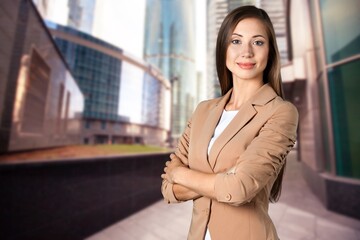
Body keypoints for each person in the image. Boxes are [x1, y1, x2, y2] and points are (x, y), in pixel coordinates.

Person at [161, 5, 298, 240]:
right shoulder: (203, 110)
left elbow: (238, 189)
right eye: (235, 41)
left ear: (270, 52)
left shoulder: (281, 112)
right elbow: (168, 190)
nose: (246, 52)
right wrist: (224, 179)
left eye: (258, 42)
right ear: (223, 49)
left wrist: (179, 174)